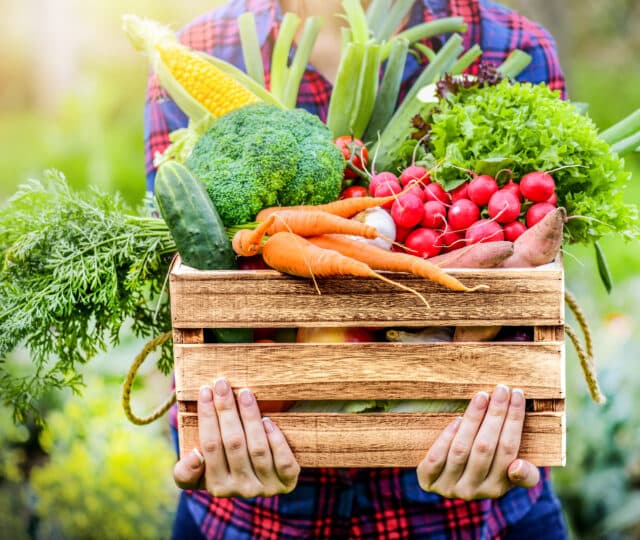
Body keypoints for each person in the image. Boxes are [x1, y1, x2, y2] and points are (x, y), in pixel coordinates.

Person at [145, 1, 569, 538]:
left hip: (474, 518)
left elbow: (535, 295)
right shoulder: (196, 48)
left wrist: (506, 425)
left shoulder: (514, 44)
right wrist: (212, 425)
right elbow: (186, 279)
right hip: (253, 521)